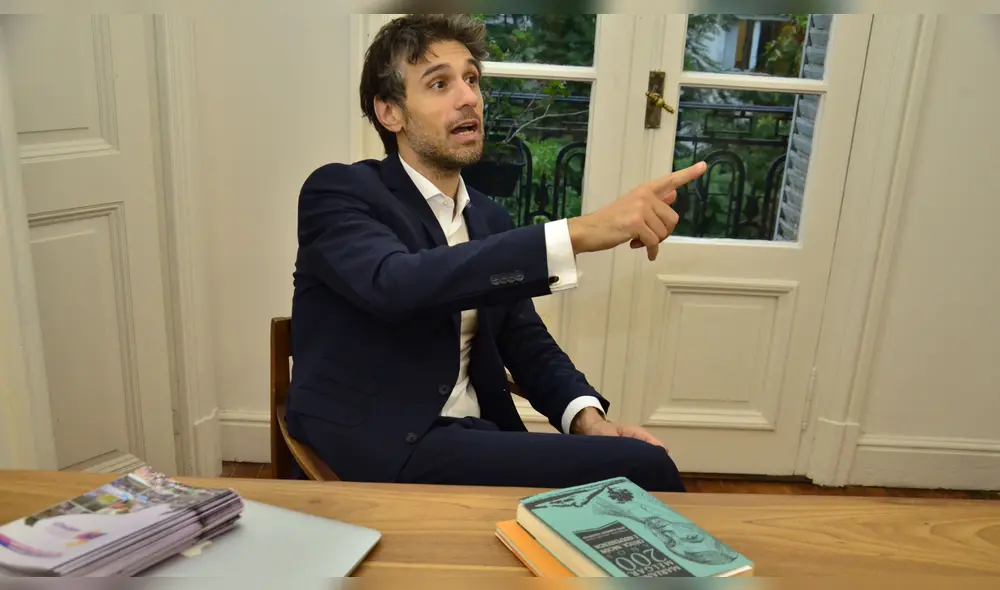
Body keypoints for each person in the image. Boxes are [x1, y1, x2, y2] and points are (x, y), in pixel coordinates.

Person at [284, 14, 707, 492]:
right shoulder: (339, 191)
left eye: (471, 79)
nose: (468, 97)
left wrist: (588, 420)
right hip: (381, 444)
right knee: (645, 469)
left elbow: (525, 341)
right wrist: (578, 232)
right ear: (390, 113)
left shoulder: (488, 218)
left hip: (474, 435)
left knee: (635, 460)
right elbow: (395, 284)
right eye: (439, 84)